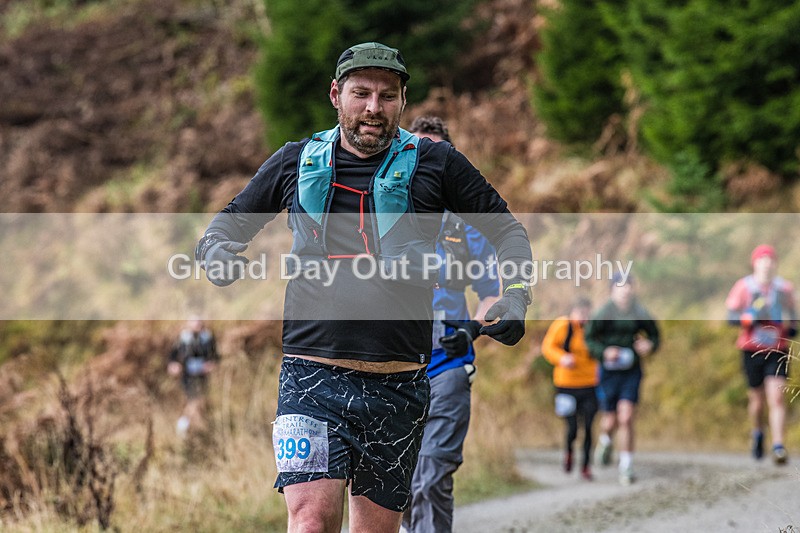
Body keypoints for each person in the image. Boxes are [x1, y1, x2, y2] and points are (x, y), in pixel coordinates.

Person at [194, 42, 532, 533]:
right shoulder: (295, 161)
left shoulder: (437, 164)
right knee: (310, 521)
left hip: (398, 386)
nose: (374, 108)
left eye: (387, 96)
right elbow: (223, 228)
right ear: (336, 95)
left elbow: (507, 231)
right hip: (311, 380)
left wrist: (516, 293)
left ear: (402, 101)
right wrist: (216, 255)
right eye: (361, 94)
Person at [401, 116, 501, 533]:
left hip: (448, 364)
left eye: (437, 153)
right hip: (392, 369)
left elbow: (493, 294)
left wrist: (472, 329)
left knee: (433, 474)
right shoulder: (383, 216)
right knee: (398, 484)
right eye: (419, 151)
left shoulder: (466, 228)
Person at [584, 274, 659, 485]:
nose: (625, 290)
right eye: (621, 286)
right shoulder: (603, 313)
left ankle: (626, 466)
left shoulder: (639, 312)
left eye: (628, 286)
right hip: (608, 373)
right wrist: (604, 352)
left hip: (631, 371)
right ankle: (605, 440)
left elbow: (655, 336)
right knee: (610, 420)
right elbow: (589, 339)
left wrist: (649, 345)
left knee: (626, 417)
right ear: (612, 290)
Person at [725, 244, 796, 465]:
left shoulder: (784, 288)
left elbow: (794, 313)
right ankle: (757, 432)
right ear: (754, 263)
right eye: (762, 260)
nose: (767, 264)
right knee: (756, 401)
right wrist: (748, 318)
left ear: (775, 264)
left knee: (777, 397)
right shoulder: (744, 286)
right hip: (751, 349)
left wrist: (793, 326)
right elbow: (730, 316)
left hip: (777, 349)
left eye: (770, 260)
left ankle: (778, 446)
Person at [541, 297, 598, 481]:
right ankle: (569, 452)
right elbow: (548, 347)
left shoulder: (593, 328)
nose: (583, 317)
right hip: (565, 385)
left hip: (590, 384)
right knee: (572, 426)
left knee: (588, 426)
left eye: (586, 313)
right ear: (572, 311)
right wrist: (562, 358)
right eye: (580, 313)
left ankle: (586, 466)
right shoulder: (562, 326)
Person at [167, 317, 218, 437]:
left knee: (200, 401)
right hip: (187, 376)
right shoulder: (182, 339)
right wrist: (174, 365)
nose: (197, 327)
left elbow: (215, 357)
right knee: (193, 400)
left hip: (202, 376)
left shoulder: (208, 339)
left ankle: (192, 429)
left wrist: (211, 365)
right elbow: (172, 357)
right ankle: (183, 427)